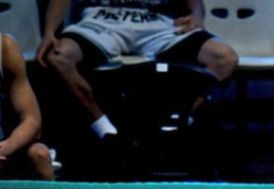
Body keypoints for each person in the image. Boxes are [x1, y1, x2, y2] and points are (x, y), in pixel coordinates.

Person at [37, 0, 238, 144]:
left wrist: (197, 16)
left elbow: (195, 4)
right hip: (101, 22)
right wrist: (49, 32)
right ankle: (104, 128)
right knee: (58, 57)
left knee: (224, 58)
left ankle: (180, 123)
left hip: (158, 25)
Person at [0, 34, 55, 180]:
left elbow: (31, 119)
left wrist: (6, 147)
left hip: (2, 146)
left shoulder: (4, 47)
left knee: (39, 153)